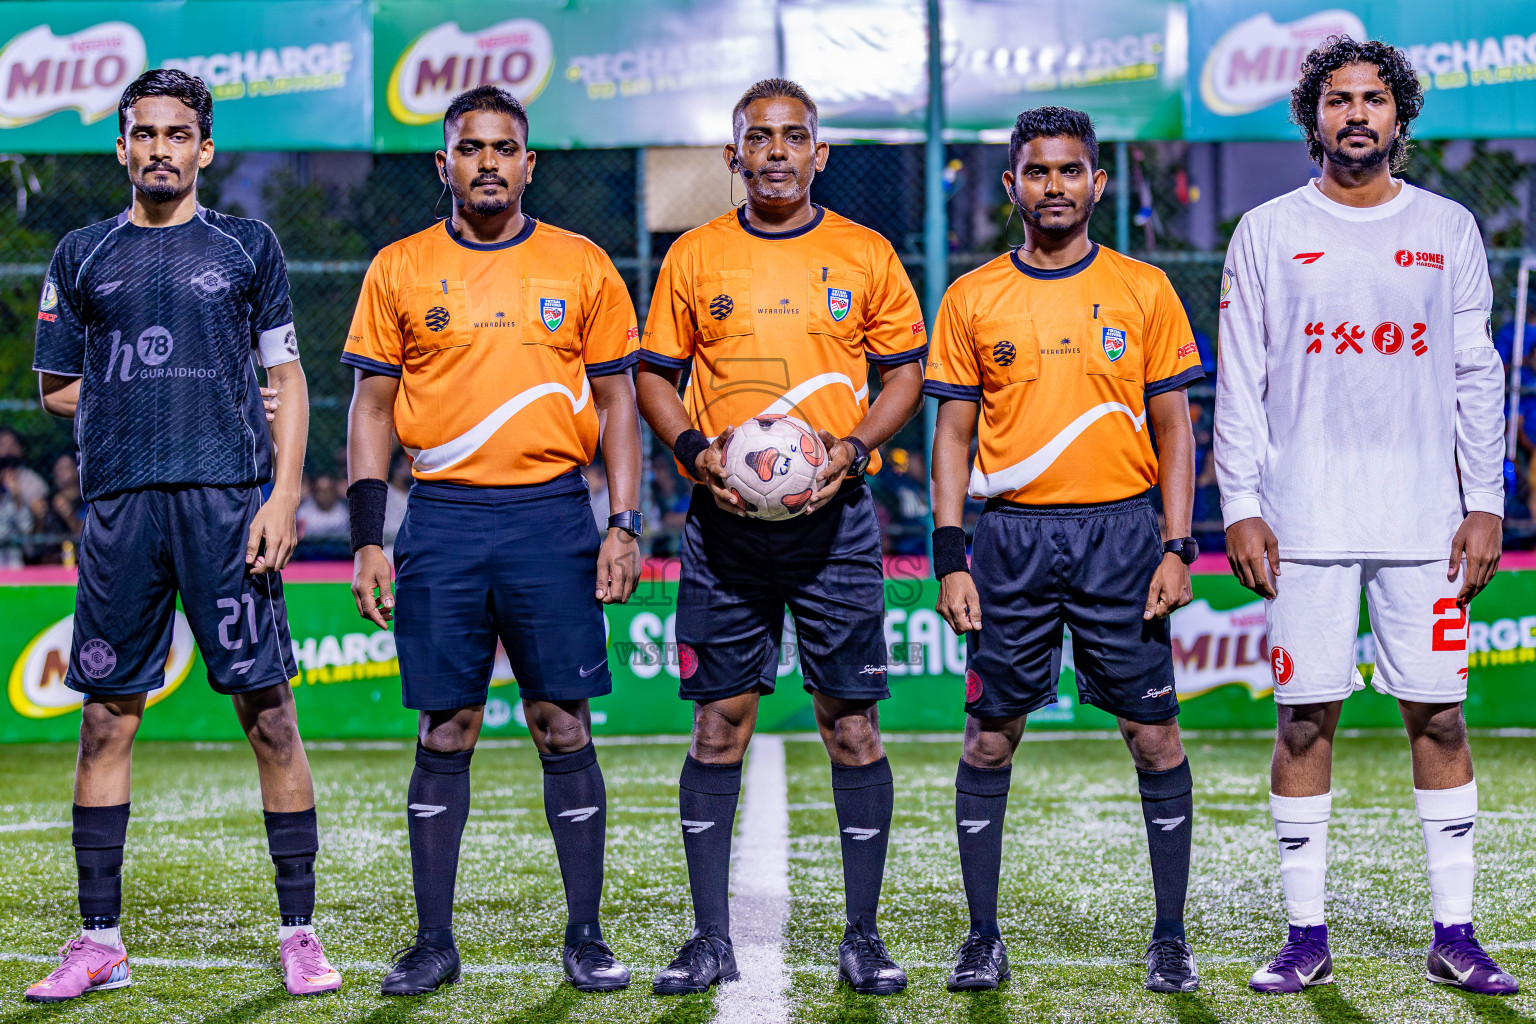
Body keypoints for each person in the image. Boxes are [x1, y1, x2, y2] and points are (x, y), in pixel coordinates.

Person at [25, 70, 336, 1002]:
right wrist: (150, 397)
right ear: (121, 146)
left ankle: (300, 934)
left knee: (270, 717)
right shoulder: (82, 253)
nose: (160, 147)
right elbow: (56, 389)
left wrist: (283, 497)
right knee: (104, 721)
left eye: (178, 133)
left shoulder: (248, 246)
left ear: (204, 149)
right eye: (143, 133)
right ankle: (99, 941)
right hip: (120, 508)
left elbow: (289, 379)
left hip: (230, 507)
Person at [1216, 37, 1515, 995]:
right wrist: (1242, 507)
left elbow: (1478, 375)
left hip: (1424, 523)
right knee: (1304, 723)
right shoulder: (1266, 231)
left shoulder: (1449, 228)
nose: (1356, 114)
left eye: (1374, 100)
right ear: (1312, 118)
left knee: (1440, 717)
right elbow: (1242, 386)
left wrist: (1484, 503)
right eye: (1338, 99)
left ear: (1400, 117)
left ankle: (1455, 933)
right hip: (1303, 523)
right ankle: (1306, 935)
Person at [343, 84, 643, 997]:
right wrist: (369, 537)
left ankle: (586, 936)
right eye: (468, 148)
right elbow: (370, 411)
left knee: (561, 722)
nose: (486, 163)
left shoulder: (582, 265)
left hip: (552, 517)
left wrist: (623, 521)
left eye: (502, 148)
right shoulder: (398, 268)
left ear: (527, 162)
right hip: (440, 518)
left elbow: (622, 404)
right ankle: (434, 942)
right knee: (449, 723)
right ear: (444, 164)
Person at [635, 77, 927, 996]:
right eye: (757, 138)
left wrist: (851, 449)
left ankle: (864, 938)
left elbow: (904, 374)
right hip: (724, 529)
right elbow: (653, 377)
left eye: (792, 138)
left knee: (853, 725)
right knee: (718, 727)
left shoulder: (864, 253)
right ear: (732, 156)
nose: (774, 153)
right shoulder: (694, 256)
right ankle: (710, 939)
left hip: (835, 522)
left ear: (819, 153)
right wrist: (694, 450)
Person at [925, 106, 1204, 995]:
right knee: (989, 739)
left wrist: (1176, 544)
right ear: (1011, 185)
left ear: (1098, 183)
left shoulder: (1144, 290)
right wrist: (950, 555)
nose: (1054, 185)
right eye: (1037, 171)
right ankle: (981, 937)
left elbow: (1175, 427)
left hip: (1123, 537)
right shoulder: (972, 297)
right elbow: (954, 435)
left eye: (1071, 170)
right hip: (1008, 541)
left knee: (1152, 736)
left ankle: (1169, 937)